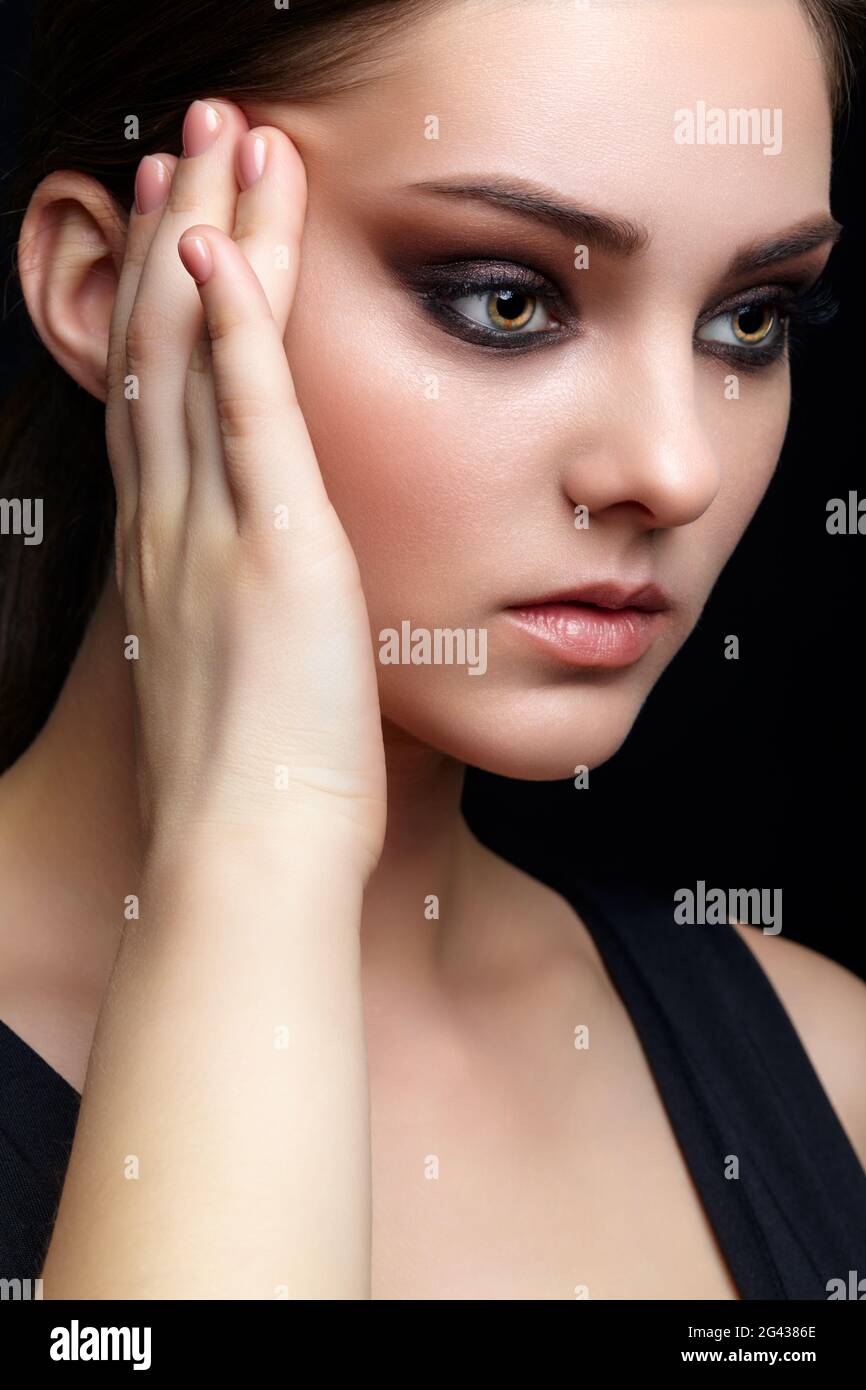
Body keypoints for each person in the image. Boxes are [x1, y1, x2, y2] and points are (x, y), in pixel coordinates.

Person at [1, 0, 865, 1300]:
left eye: (748, 319)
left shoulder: (833, 1072)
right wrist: (256, 846)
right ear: (103, 291)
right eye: (507, 300)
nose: (671, 470)